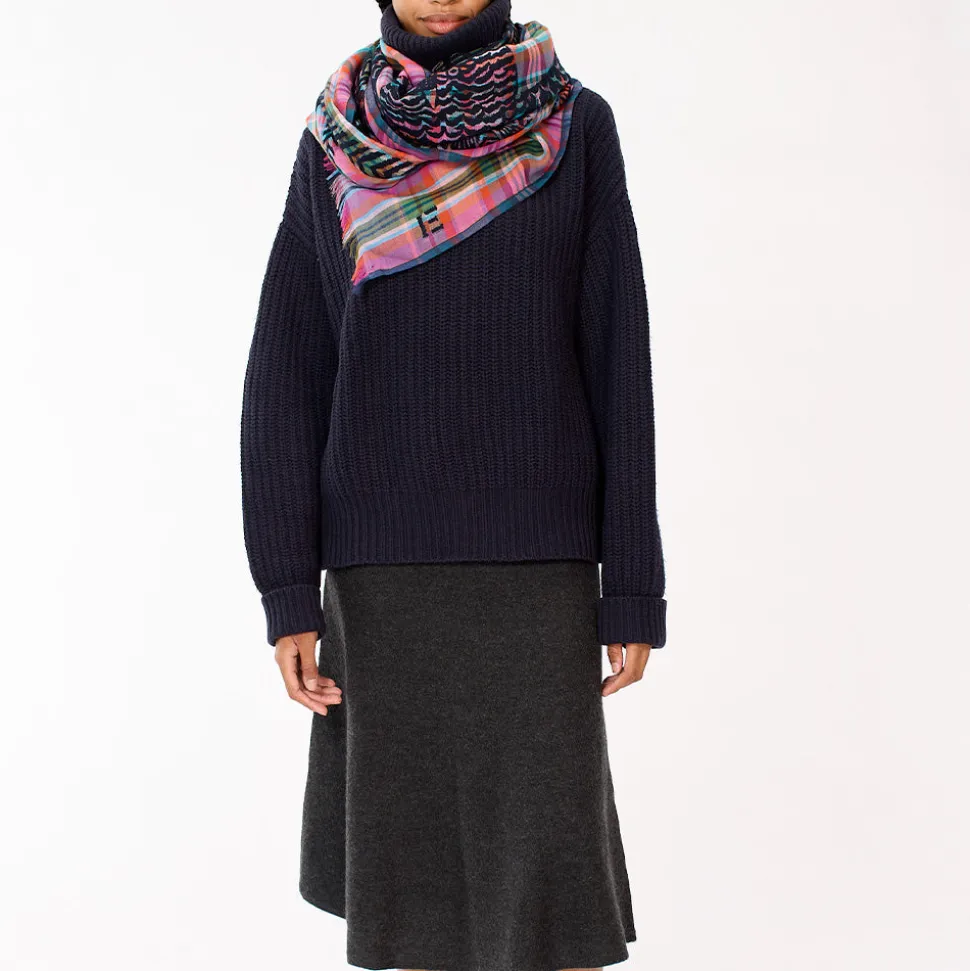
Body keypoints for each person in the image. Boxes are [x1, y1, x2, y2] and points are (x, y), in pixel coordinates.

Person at [240, 0, 668, 968]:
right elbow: (289, 366)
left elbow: (619, 355)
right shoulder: (337, 137)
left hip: (539, 569)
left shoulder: (574, 125)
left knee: (551, 903)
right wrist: (285, 587)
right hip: (381, 576)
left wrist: (634, 584)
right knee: (412, 903)